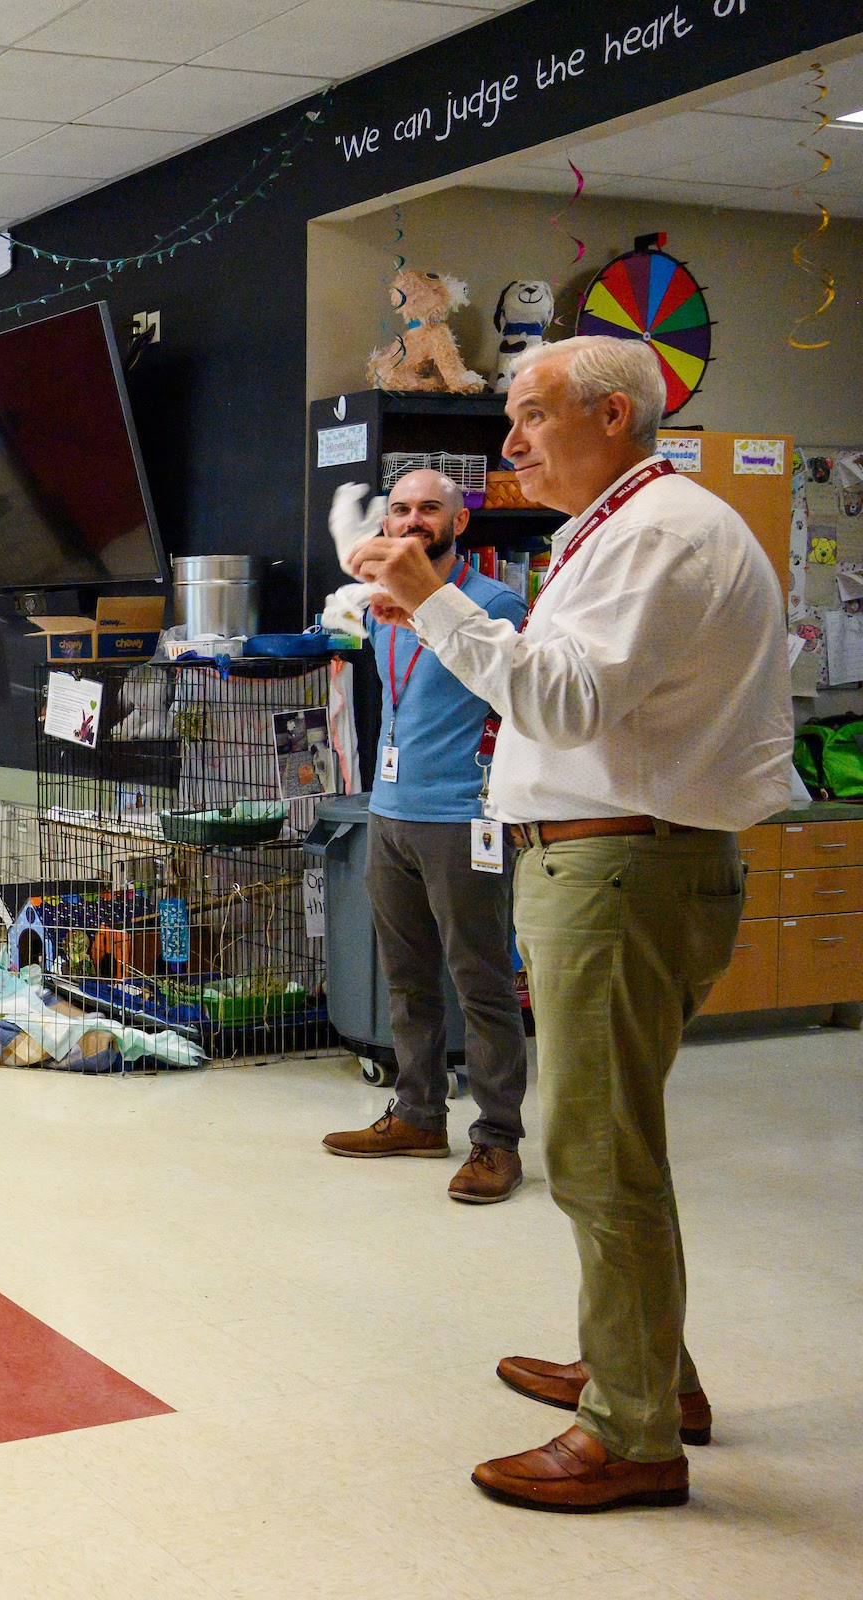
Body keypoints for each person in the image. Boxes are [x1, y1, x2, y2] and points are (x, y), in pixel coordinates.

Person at [353, 336, 792, 1514]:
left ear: (611, 415)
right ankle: (647, 1373)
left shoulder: (656, 534)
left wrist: (429, 598)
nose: (511, 443)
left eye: (533, 415)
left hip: (621, 867)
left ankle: (633, 1432)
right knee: (615, 1141)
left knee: (599, 1154)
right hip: (613, 862)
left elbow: (557, 699)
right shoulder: (623, 528)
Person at [322, 469, 530, 1204]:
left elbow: (515, 696)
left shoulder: (495, 604)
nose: (413, 521)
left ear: (459, 521)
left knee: (481, 983)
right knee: (405, 979)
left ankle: (497, 1140)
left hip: (463, 818)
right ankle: (417, 1114)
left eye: (430, 509)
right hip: (391, 812)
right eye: (401, 509)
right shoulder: (381, 605)